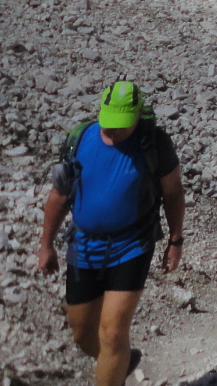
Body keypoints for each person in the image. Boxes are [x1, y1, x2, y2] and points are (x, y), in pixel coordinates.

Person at [35, 82, 184, 386]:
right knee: (82, 334)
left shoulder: (154, 143)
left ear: (137, 116)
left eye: (120, 126)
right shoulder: (81, 139)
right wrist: (46, 244)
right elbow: (60, 194)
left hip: (132, 244)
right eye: (108, 123)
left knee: (113, 332)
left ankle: (114, 363)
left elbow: (173, 193)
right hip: (83, 245)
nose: (112, 131)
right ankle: (122, 361)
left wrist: (175, 240)